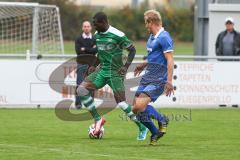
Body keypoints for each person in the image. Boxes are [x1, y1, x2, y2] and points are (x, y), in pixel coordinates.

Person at [76, 12, 148, 140]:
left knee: (121, 103)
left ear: (103, 22)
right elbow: (101, 53)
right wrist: (93, 65)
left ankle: (142, 127)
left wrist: (125, 67)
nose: (93, 26)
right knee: (81, 90)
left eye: (95, 24)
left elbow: (132, 50)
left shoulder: (118, 35)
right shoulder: (97, 35)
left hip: (115, 72)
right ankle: (98, 119)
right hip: (102, 70)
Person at [133, 10, 174, 145]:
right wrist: (143, 65)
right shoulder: (151, 37)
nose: (145, 26)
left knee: (139, 105)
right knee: (135, 108)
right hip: (148, 76)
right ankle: (155, 132)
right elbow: (153, 57)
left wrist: (169, 80)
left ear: (151, 22)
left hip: (159, 78)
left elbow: (169, 60)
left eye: (146, 23)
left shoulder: (164, 37)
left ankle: (162, 118)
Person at [75, 21, 97, 109]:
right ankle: (78, 104)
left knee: (91, 84)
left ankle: (91, 103)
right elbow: (78, 51)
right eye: (85, 26)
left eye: (88, 26)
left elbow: (96, 50)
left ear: (91, 28)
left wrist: (85, 49)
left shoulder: (95, 39)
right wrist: (91, 49)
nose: (86, 28)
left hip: (92, 65)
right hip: (81, 64)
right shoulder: (78, 39)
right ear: (82, 28)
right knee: (79, 84)